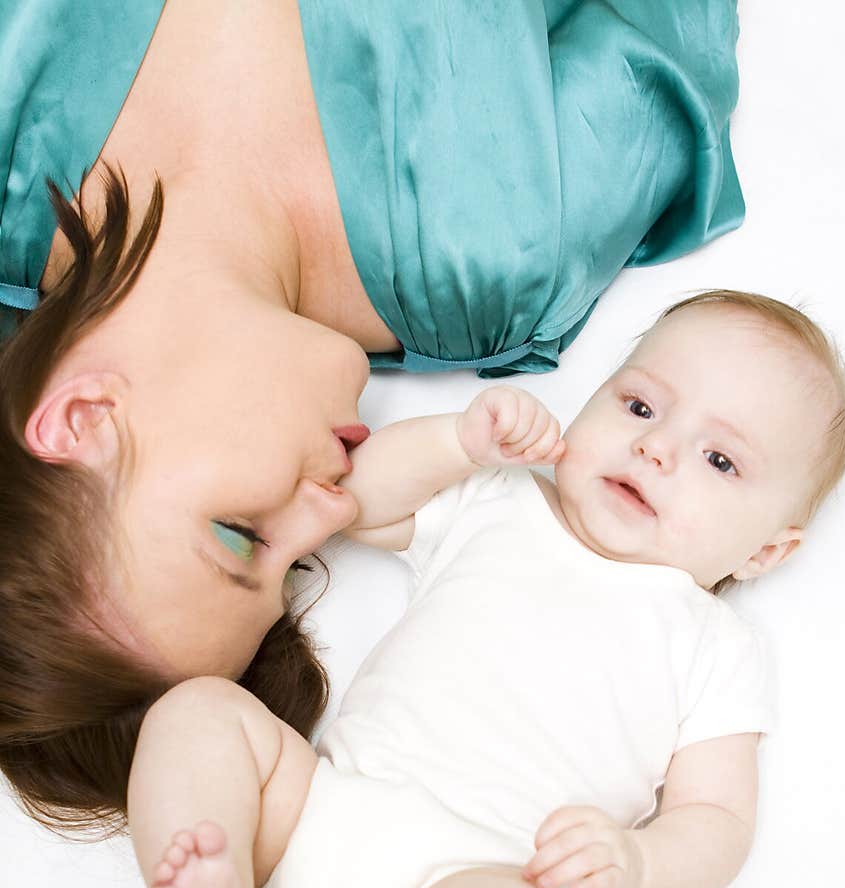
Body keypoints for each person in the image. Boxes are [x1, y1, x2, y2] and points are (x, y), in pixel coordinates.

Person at [126, 291, 845, 888]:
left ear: (766, 551)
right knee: (199, 714)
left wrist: (637, 859)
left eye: (720, 461)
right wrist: (458, 441)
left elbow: (720, 822)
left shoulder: (713, 645)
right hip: (317, 822)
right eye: (640, 405)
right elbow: (362, 502)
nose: (656, 448)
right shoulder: (501, 502)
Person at [0, 0, 745, 830]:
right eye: (295, 567)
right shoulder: (494, 253)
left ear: (81, 420)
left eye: (242, 533)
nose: (336, 508)